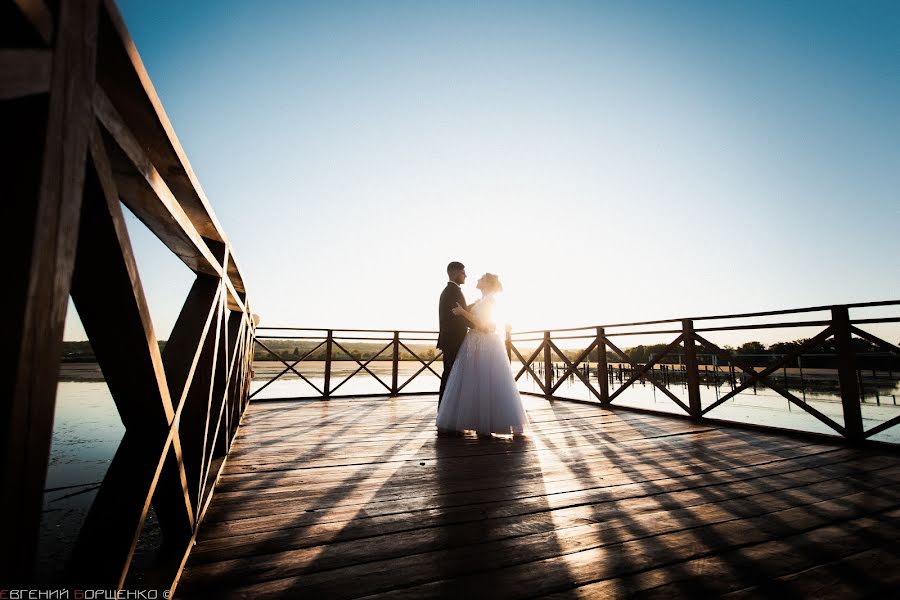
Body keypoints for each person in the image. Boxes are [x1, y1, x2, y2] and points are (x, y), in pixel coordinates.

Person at [436, 273, 530, 437]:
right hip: (473, 342)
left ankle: (486, 422)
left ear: (487, 284)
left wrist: (462, 313)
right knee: (474, 382)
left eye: (481, 278)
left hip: (485, 345)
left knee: (486, 381)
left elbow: (485, 325)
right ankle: (477, 420)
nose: (477, 279)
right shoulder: (481, 300)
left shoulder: (489, 301)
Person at [437, 261, 469, 406]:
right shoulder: (452, 291)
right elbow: (461, 317)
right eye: (463, 273)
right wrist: (482, 325)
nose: (465, 276)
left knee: (450, 375)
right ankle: (445, 409)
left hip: (451, 340)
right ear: (455, 273)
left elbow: (462, 313)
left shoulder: (451, 290)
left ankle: (446, 409)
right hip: (453, 341)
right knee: (450, 375)